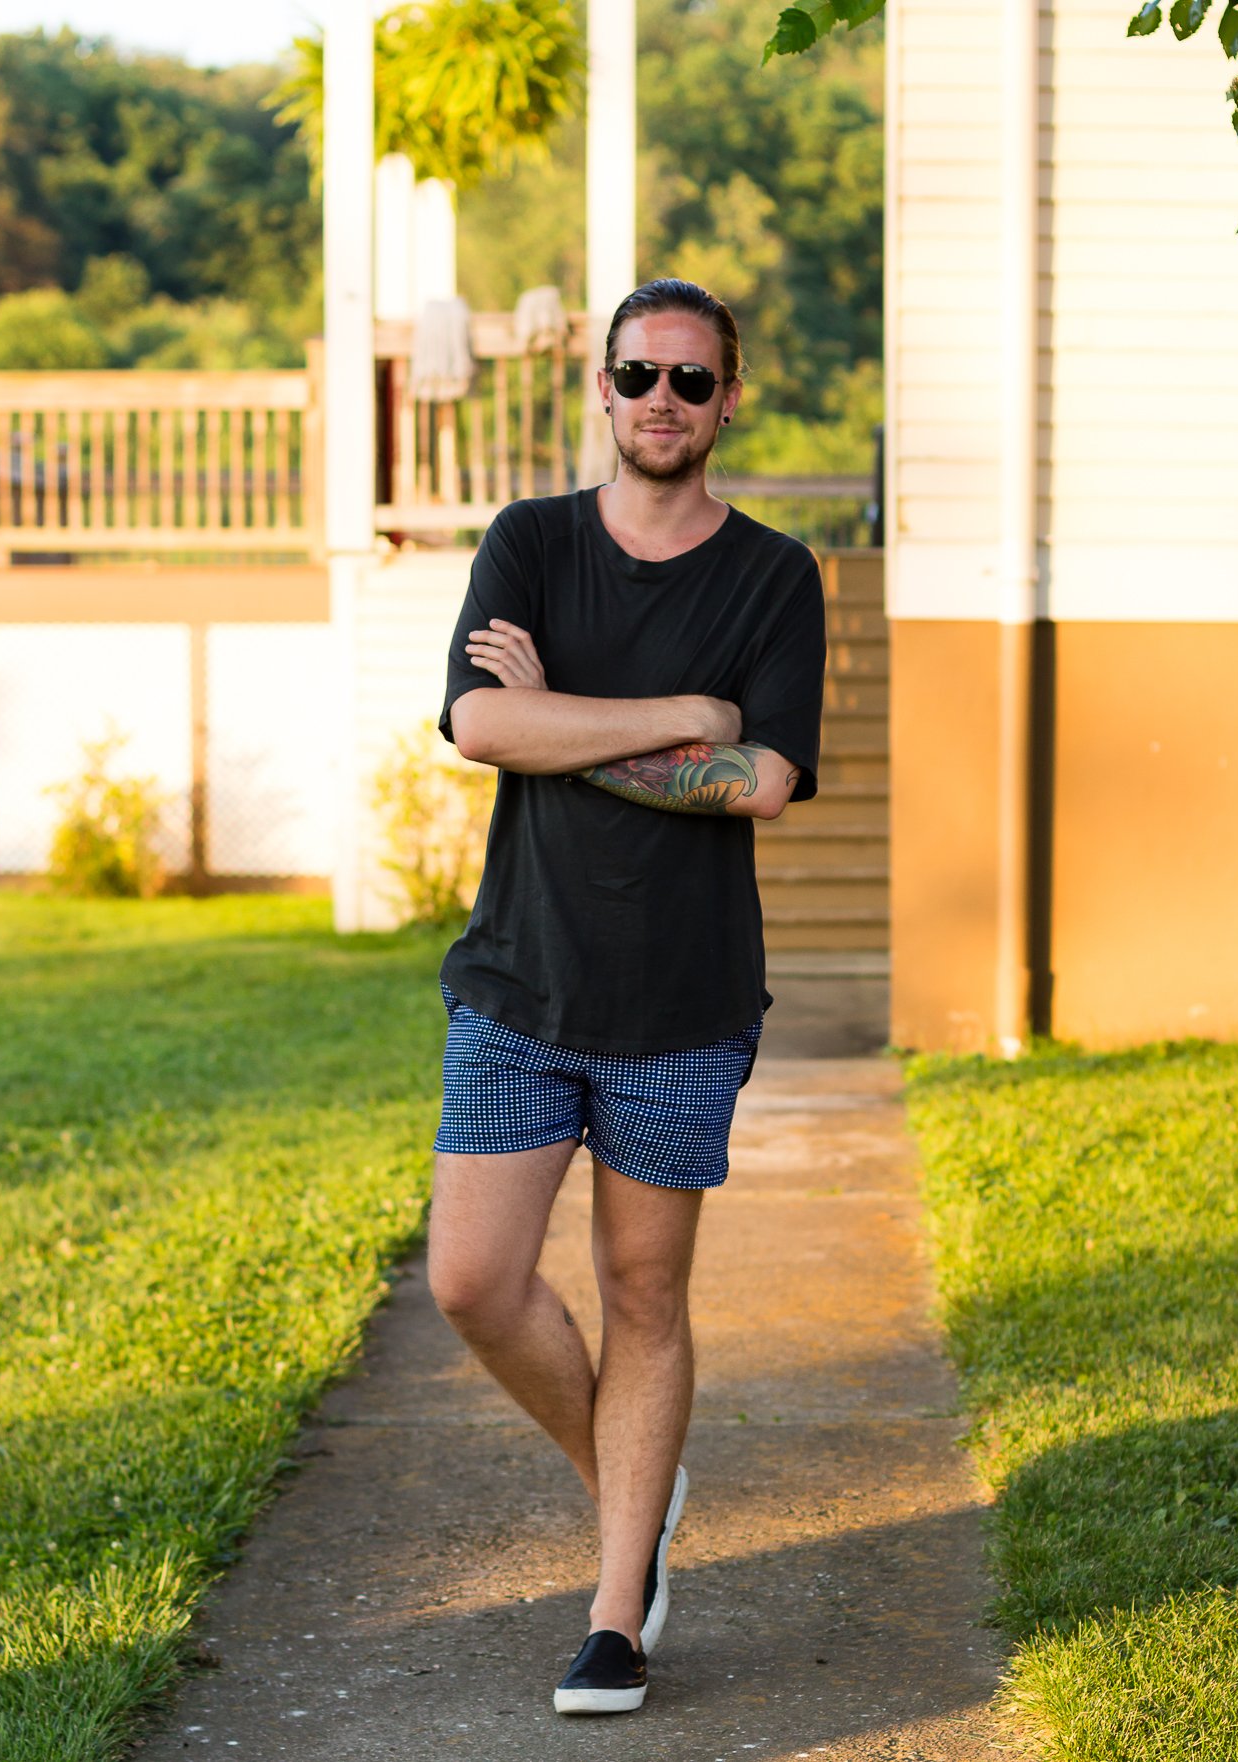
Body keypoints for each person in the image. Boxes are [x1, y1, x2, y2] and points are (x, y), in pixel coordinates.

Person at [427, 278, 827, 1715]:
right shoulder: (529, 542)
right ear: (600, 389)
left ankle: (615, 1615)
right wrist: (681, 715)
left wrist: (564, 727)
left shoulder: (776, 578)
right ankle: (636, 1499)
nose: (663, 399)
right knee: (472, 1276)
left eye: (691, 380)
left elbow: (764, 782)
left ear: (731, 400)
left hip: (681, 1000)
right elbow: (479, 722)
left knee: (642, 1293)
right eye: (639, 374)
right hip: (519, 982)